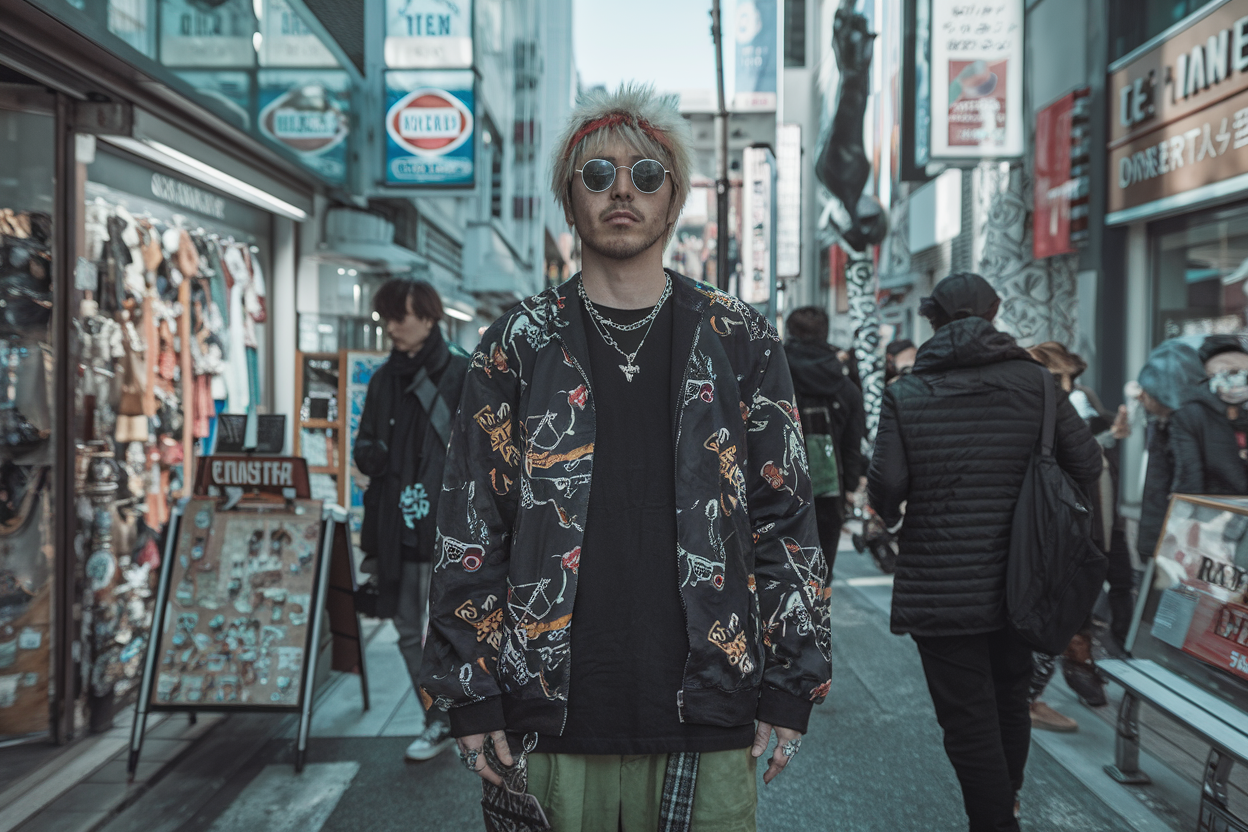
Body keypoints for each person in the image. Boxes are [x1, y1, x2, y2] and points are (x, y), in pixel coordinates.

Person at [419, 83, 831, 832]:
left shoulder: (738, 337)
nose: (622, 192)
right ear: (569, 198)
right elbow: (470, 521)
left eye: (646, 175)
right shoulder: (520, 342)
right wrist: (467, 687)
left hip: (710, 705)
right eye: (597, 174)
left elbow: (786, 517)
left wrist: (791, 682)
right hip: (546, 710)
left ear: (673, 201)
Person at [867, 272, 1102, 832]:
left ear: (933, 320)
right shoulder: (1039, 384)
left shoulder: (906, 391)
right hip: (1025, 574)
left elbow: (887, 488)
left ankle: (994, 821)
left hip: (939, 582)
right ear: (994, 314)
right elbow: (1088, 464)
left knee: (967, 718)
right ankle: (1008, 805)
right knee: (1008, 696)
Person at [353, 277, 469, 762]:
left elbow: (481, 451)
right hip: (397, 524)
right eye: (386, 319)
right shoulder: (383, 379)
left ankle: (465, 711)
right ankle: (436, 718)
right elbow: (364, 445)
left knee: (454, 627)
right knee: (406, 630)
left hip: (449, 526)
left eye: (399, 317)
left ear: (428, 315)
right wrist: (374, 455)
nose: (392, 328)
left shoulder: (463, 373)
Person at [784, 306, 866, 575]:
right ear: (826, 333)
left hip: (779, 488)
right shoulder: (846, 387)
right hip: (830, 494)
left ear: (790, 332)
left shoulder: (773, 377)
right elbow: (853, 445)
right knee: (820, 576)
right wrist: (850, 486)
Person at [1134, 336, 1207, 562]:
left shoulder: (1182, 426)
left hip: (1187, 546)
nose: (1140, 396)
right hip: (1175, 543)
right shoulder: (1164, 423)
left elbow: (1188, 488)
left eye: (1148, 390)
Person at [1169, 334, 1248, 498]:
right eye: (1231, 373)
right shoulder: (1191, 415)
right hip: (1216, 513)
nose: (1238, 380)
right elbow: (1190, 477)